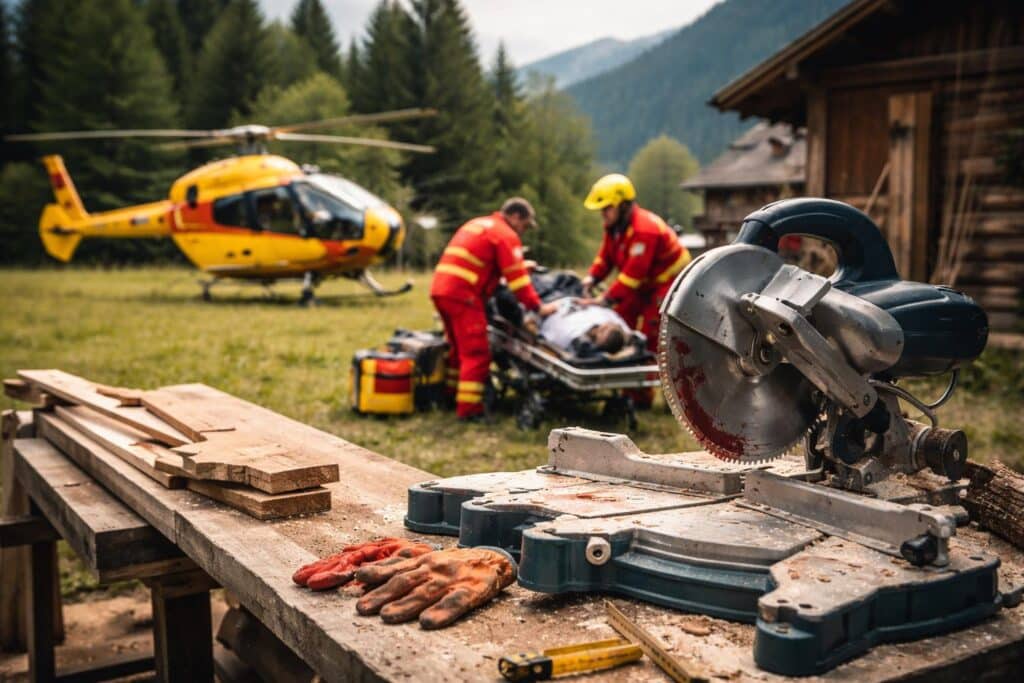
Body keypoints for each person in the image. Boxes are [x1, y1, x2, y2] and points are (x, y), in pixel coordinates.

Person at [430, 198, 558, 420]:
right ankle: (469, 411)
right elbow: (518, 284)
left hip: (442, 291)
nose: (524, 231)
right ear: (515, 217)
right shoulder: (506, 235)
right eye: (525, 225)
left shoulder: (479, 225)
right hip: (464, 296)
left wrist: (519, 266)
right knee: (476, 353)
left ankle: (450, 396)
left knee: (457, 350)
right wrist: (538, 308)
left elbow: (485, 263)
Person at [577, 173, 692, 405]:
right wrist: (591, 278)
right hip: (644, 285)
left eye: (607, 208)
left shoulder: (644, 230)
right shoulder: (615, 227)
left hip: (667, 285)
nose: (603, 214)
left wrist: (604, 300)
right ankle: (627, 387)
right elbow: (605, 258)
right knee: (619, 323)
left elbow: (632, 276)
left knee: (651, 336)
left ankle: (644, 396)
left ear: (622, 205)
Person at [538, 298, 631, 358]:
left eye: (603, 330)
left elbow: (543, 336)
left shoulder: (571, 336)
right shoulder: (611, 319)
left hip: (548, 303)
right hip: (573, 295)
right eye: (609, 325)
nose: (605, 325)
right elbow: (629, 335)